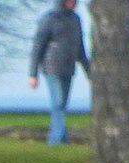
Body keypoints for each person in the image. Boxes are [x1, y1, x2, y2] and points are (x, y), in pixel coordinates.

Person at [29, 0, 90, 146]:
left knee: (62, 104)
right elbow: (38, 47)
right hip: (52, 67)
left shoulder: (76, 19)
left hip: (69, 68)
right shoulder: (49, 18)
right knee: (58, 102)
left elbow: (80, 48)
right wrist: (33, 74)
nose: (72, 3)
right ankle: (57, 139)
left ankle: (59, 137)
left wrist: (89, 71)